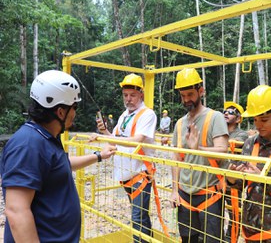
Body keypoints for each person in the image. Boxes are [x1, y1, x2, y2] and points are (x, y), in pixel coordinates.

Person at [0, 70, 117, 243]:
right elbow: (17, 210)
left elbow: (59, 165)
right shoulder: (28, 144)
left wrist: (98, 156)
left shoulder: (45, 137)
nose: (75, 113)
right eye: (74, 108)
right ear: (61, 112)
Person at [94, 73, 157, 243]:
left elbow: (136, 141)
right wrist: (103, 133)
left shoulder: (147, 114)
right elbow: (116, 139)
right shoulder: (124, 116)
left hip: (140, 174)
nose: (128, 99)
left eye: (133, 95)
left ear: (141, 94)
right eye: (125, 95)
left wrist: (108, 137)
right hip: (126, 175)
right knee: (141, 216)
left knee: (137, 218)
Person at [170, 68, 229, 243]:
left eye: (190, 94)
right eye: (183, 95)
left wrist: (198, 149)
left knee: (212, 240)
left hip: (209, 193)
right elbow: (176, 159)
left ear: (201, 91)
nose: (186, 99)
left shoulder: (215, 117)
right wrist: (174, 191)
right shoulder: (180, 124)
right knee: (188, 239)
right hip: (185, 194)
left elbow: (222, 149)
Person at [228, 85, 271, 242]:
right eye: (255, 120)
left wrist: (263, 179)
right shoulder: (250, 143)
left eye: (264, 120)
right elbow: (243, 183)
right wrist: (233, 180)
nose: (258, 125)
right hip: (251, 227)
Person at [223, 101, 248, 242]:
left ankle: (230, 239)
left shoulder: (242, 134)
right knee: (216, 211)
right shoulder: (220, 132)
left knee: (234, 213)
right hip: (217, 178)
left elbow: (235, 142)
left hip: (233, 181)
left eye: (231, 112)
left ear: (238, 119)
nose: (226, 113)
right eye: (225, 111)